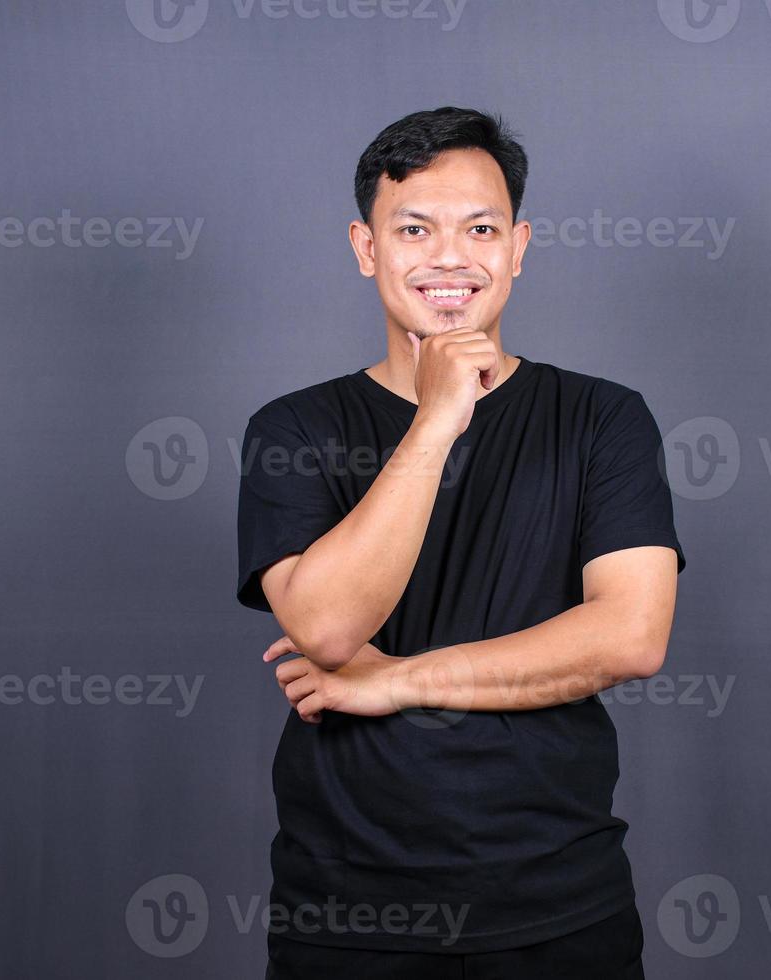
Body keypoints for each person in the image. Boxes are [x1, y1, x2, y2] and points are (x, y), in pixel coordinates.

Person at [236, 106, 686, 979]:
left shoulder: (603, 420)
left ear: (517, 247)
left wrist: (395, 681)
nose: (450, 257)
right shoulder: (293, 428)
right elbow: (327, 629)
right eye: (415, 229)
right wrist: (440, 417)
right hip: (347, 914)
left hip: (558, 903)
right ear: (367, 248)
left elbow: (630, 637)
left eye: (479, 229)